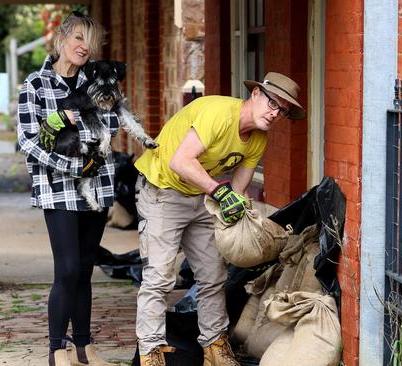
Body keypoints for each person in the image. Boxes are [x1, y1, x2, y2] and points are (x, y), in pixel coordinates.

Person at [134, 72, 306, 366]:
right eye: (272, 104)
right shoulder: (218, 113)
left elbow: (238, 190)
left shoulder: (258, 138)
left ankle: (215, 347)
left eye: (282, 111)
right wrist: (219, 192)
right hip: (162, 189)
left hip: (201, 195)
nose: (275, 114)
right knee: (160, 277)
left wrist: (239, 215)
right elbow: (180, 161)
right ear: (255, 95)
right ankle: (151, 350)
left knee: (213, 275)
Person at [16, 11, 117, 366]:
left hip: (97, 188)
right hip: (57, 189)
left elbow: (112, 124)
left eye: (90, 41)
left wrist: (66, 132)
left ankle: (84, 348)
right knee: (68, 268)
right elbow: (30, 142)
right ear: (61, 40)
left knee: (86, 269)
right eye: (78, 38)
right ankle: (57, 350)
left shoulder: (97, 83)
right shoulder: (35, 85)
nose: (84, 46)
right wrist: (74, 163)